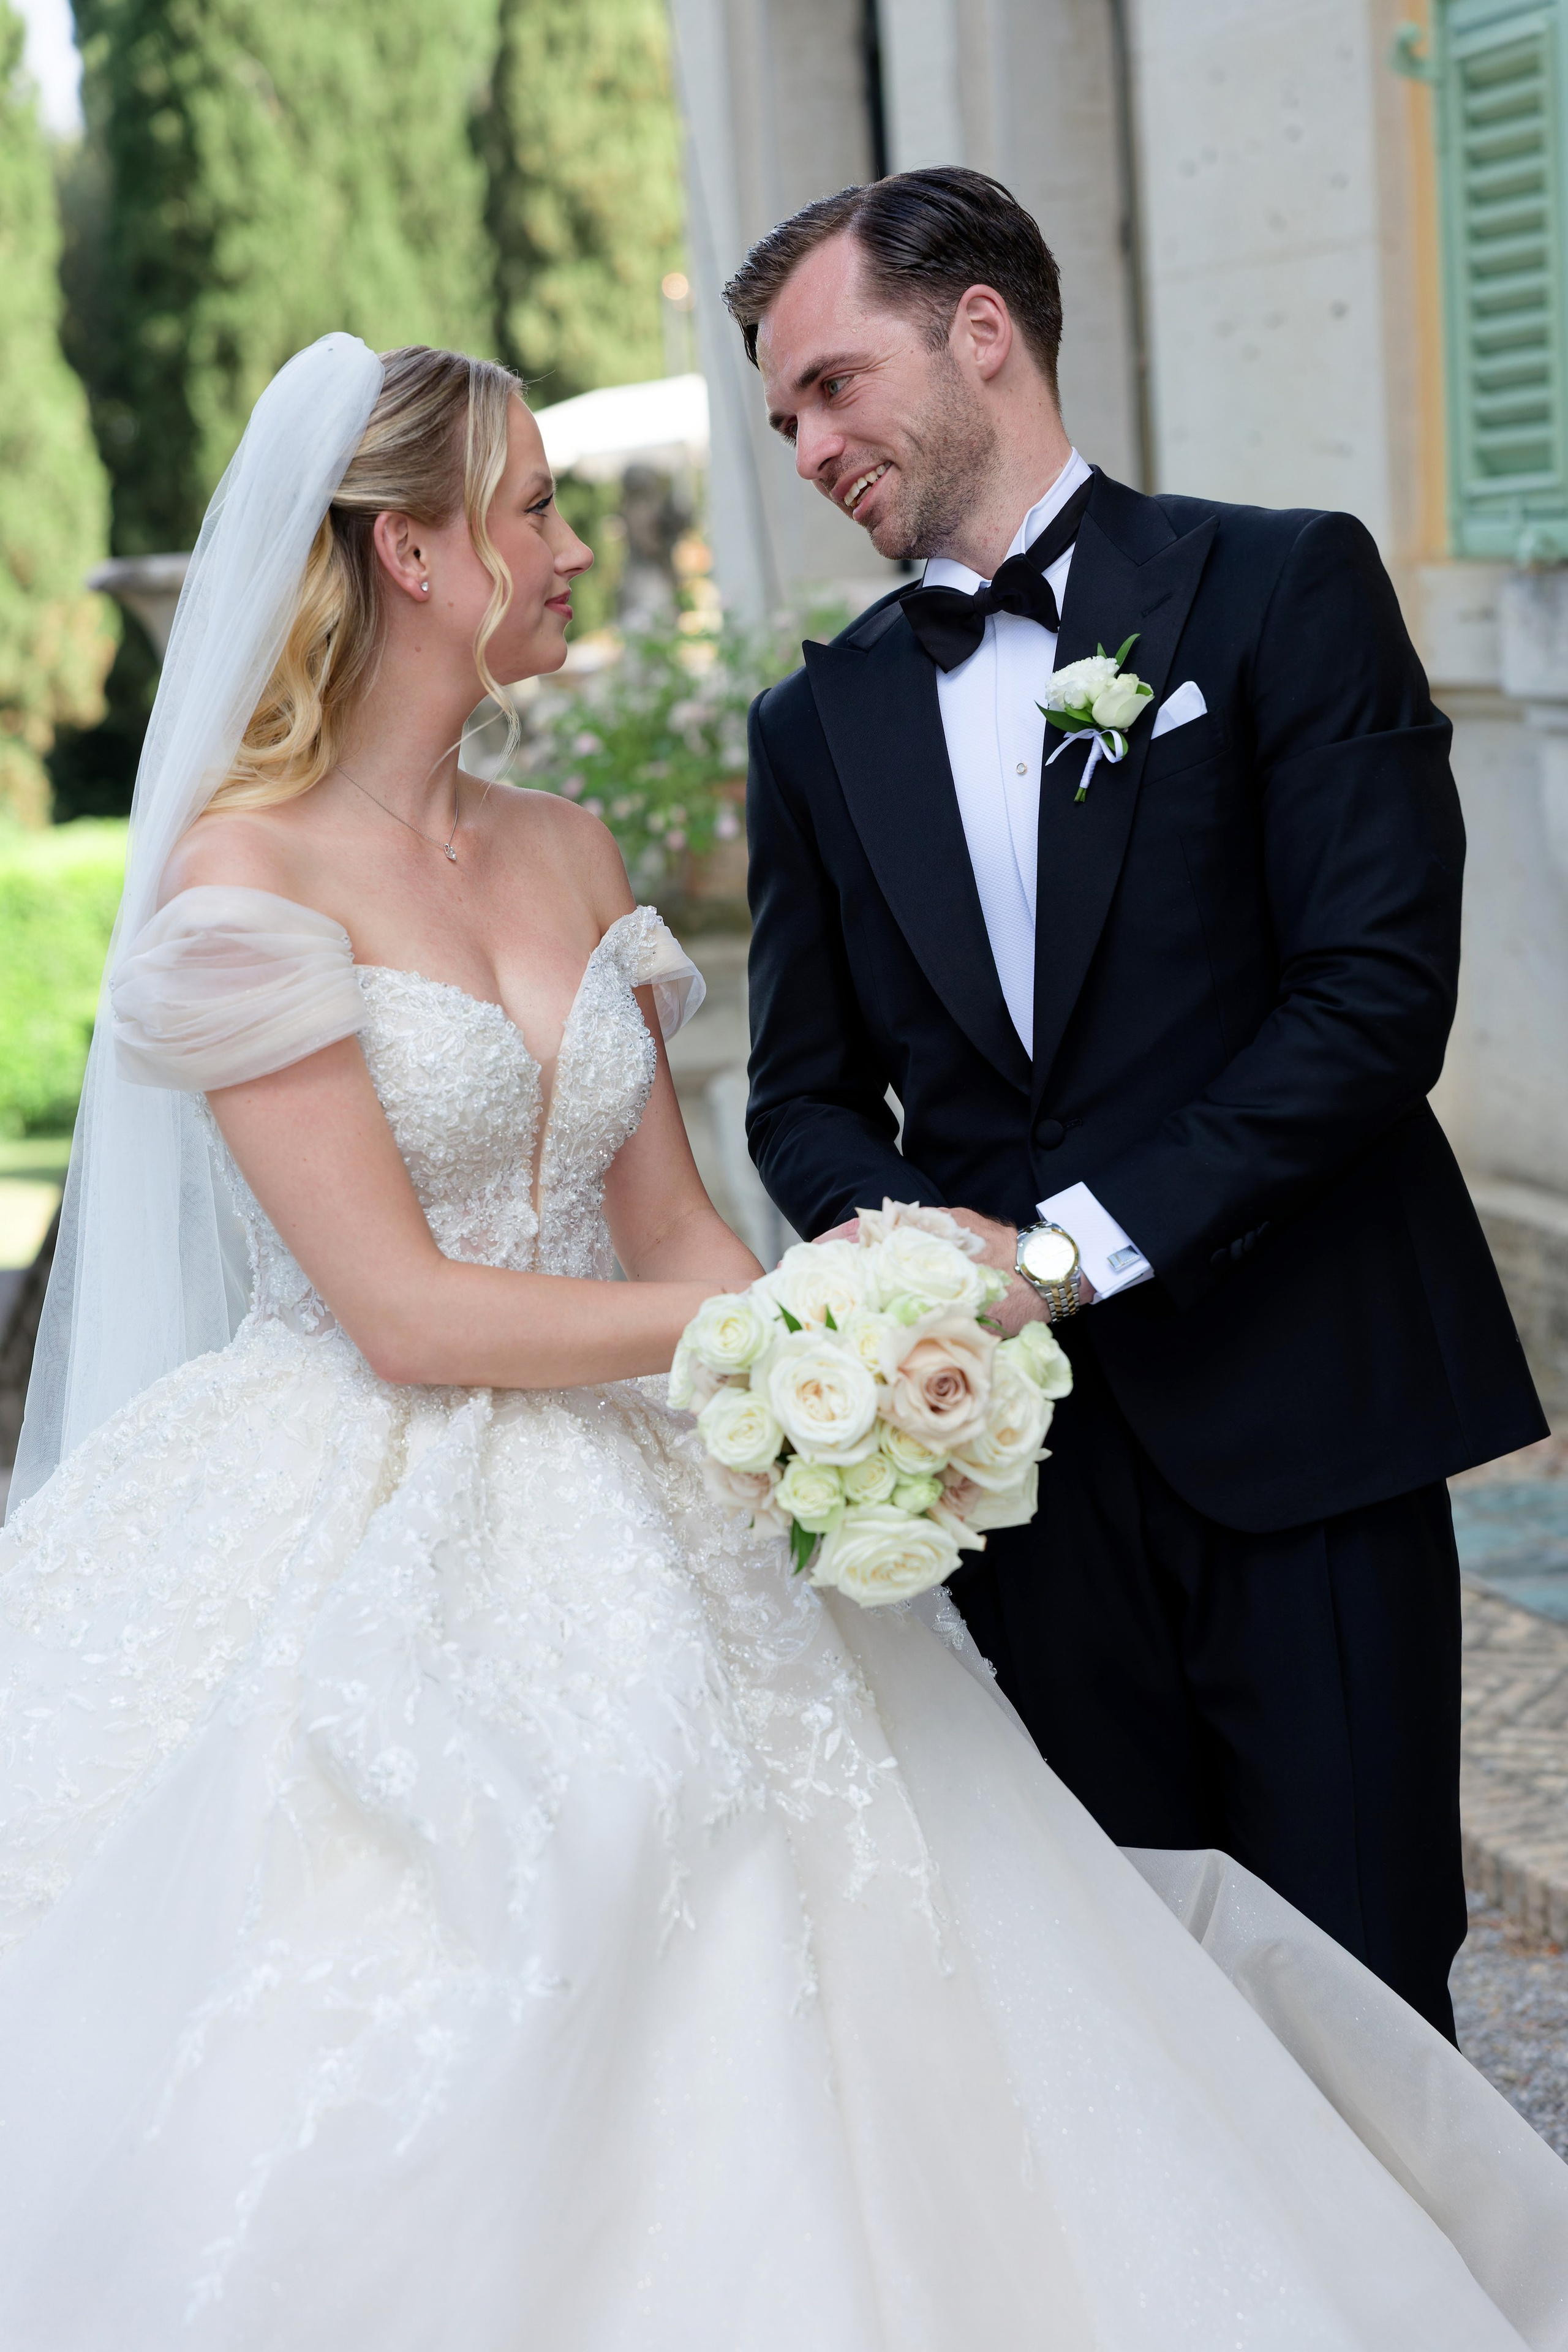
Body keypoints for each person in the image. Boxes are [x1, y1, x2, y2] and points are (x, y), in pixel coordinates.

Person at [0, 333, 1564, 2351]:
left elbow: (668, 1215)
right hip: (379, 1492)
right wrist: (791, 1311)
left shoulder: (566, 845)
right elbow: (398, 1309)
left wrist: (819, 1360)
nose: (576, 551)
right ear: (409, 552)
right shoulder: (245, 876)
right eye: (540, 506)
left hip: (674, 1461)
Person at [729, 165, 1549, 2045]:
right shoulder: (817, 724)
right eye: (784, 416)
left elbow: (1370, 1002)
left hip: (1307, 1421)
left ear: (984, 332)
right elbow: (800, 1096)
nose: (807, 444)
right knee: (1117, 2019)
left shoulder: (1282, 585)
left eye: (836, 386)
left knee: (1361, 1976)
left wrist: (1066, 1255)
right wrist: (922, 1267)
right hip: (1016, 1478)